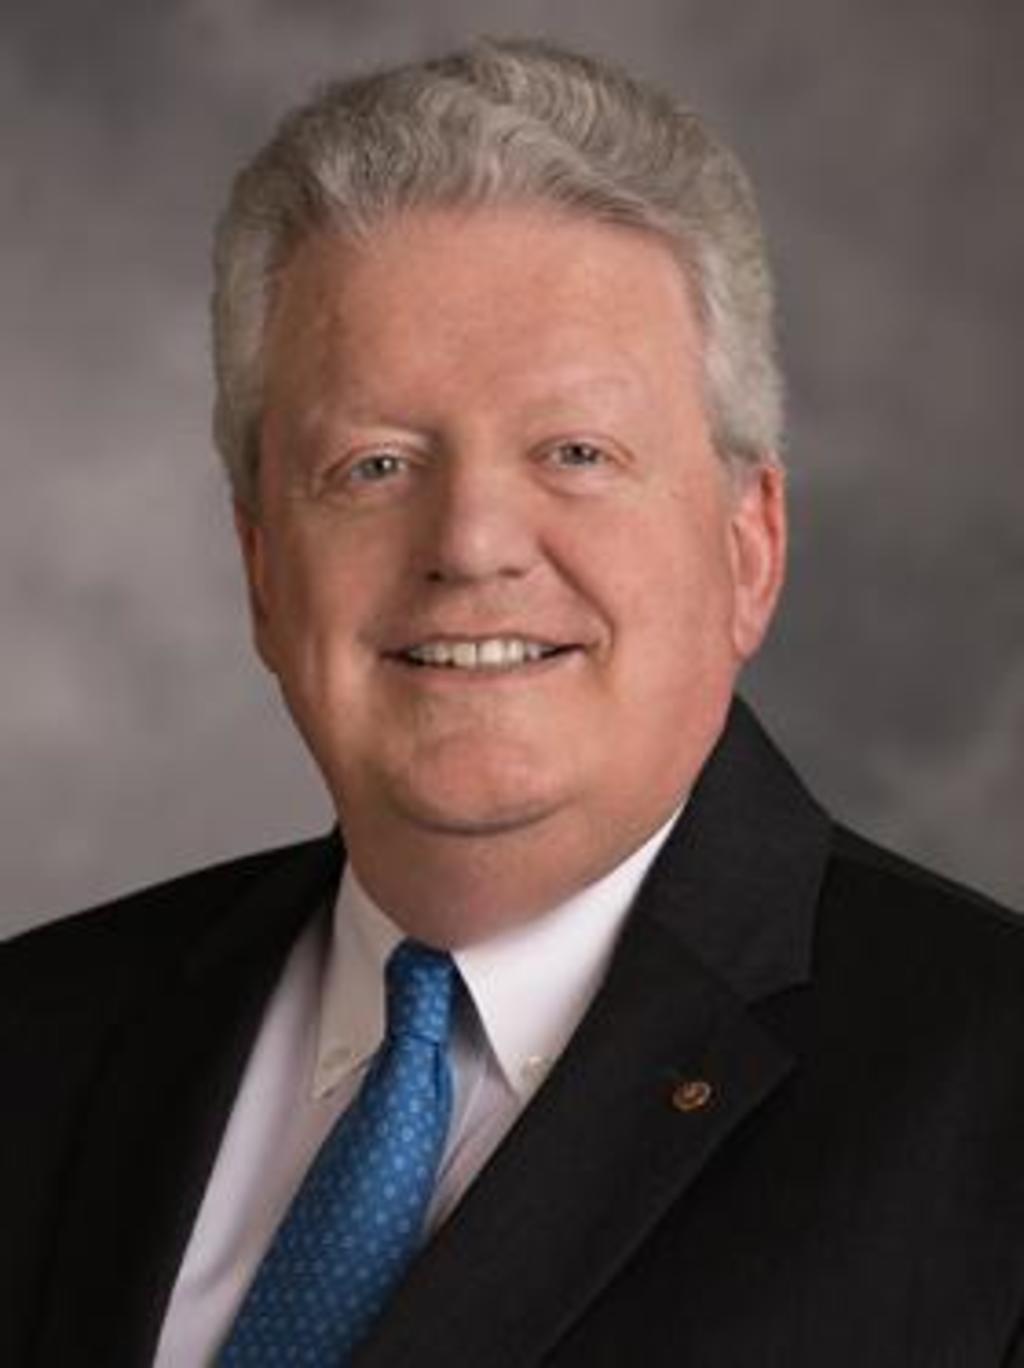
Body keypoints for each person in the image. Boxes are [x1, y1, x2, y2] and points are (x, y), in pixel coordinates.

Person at [3, 37, 1024, 1368]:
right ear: (262, 568)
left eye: (577, 453)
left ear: (748, 549)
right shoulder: (34, 1041)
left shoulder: (990, 1109)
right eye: (374, 465)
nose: (472, 542)